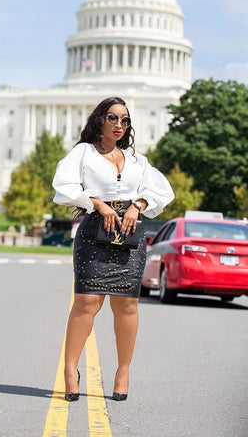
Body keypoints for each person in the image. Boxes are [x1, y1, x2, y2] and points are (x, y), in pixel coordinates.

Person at [52, 96, 174, 402]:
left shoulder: (136, 160)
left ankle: (123, 371)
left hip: (130, 235)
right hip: (95, 233)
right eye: (112, 118)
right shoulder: (82, 153)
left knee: (127, 305)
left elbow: (162, 189)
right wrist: (96, 203)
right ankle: (70, 369)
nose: (119, 125)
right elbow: (64, 187)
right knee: (87, 302)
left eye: (125, 120)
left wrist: (138, 206)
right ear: (99, 121)